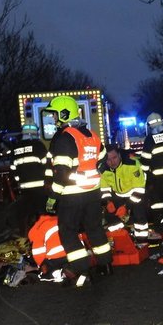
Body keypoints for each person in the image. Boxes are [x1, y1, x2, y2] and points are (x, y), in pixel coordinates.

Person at [44, 94, 112, 286]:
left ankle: (82, 268)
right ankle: (106, 265)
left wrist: (53, 197)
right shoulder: (92, 135)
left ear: (64, 114)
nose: (53, 119)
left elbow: (62, 173)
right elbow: (104, 160)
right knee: (95, 228)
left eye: (55, 115)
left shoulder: (65, 138)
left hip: (72, 195)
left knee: (68, 232)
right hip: (92, 193)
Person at [6, 122, 50, 235]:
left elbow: (12, 168)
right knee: (42, 213)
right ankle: (43, 234)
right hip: (40, 187)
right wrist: (48, 181)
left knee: (24, 214)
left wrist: (18, 181)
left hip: (24, 188)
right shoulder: (38, 146)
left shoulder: (15, 148)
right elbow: (47, 165)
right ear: (34, 133)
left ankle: (25, 236)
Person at [100, 147, 148, 239]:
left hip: (135, 195)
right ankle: (119, 238)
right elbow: (104, 189)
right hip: (118, 195)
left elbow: (139, 190)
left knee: (139, 215)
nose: (112, 162)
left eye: (114, 158)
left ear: (119, 155)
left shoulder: (132, 164)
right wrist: (108, 202)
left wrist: (126, 207)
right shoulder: (103, 169)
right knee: (110, 215)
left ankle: (142, 241)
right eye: (108, 159)